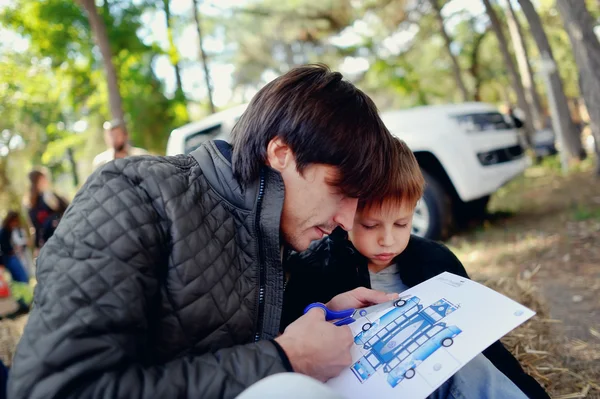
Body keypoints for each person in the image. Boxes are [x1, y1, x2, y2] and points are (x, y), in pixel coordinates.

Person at [9, 64, 400, 399]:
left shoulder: (275, 228)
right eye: (340, 191)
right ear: (281, 154)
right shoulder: (134, 195)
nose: (347, 221)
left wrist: (320, 318)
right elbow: (57, 389)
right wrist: (285, 360)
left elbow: (229, 343)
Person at [281, 138, 549, 398]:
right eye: (370, 226)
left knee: (470, 366)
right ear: (344, 214)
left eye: (401, 224)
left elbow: (483, 344)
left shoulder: (436, 260)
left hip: (436, 376)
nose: (388, 240)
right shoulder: (315, 269)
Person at [24, 168, 69, 252]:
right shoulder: (32, 205)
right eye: (44, 178)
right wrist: (37, 247)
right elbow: (37, 228)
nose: (46, 181)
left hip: (61, 235)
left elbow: (66, 208)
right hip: (55, 240)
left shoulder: (49, 196)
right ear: (38, 181)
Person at [0, 212, 29, 284]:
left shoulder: (10, 230)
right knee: (22, 278)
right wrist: (13, 251)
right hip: (8, 257)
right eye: (14, 221)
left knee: (19, 279)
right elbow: (5, 248)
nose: (16, 223)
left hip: (10, 256)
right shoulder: (4, 231)